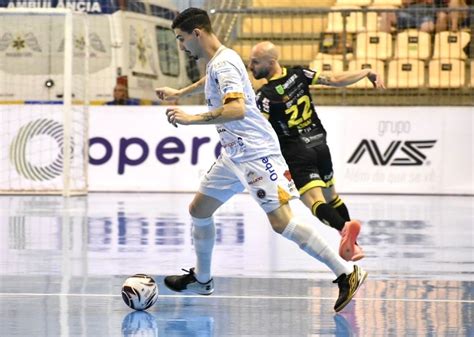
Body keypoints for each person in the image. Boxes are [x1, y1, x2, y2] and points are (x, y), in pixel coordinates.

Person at [155, 7, 367, 312]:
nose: (181, 45)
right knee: (199, 210)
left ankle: (346, 272)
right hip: (233, 154)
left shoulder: (225, 65)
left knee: (281, 223)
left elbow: (236, 110)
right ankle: (202, 279)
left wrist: (191, 119)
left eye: (181, 38)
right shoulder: (220, 61)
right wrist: (181, 92)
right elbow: (211, 82)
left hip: (256, 154)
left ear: (197, 34)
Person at [248, 41, 385, 262]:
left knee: (314, 202)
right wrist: (366, 72)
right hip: (320, 144)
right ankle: (354, 246)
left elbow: (259, 131)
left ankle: (344, 227)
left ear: (271, 62)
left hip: (296, 152)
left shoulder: (264, 95)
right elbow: (335, 80)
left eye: (255, 62)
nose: (250, 66)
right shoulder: (299, 73)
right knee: (332, 197)